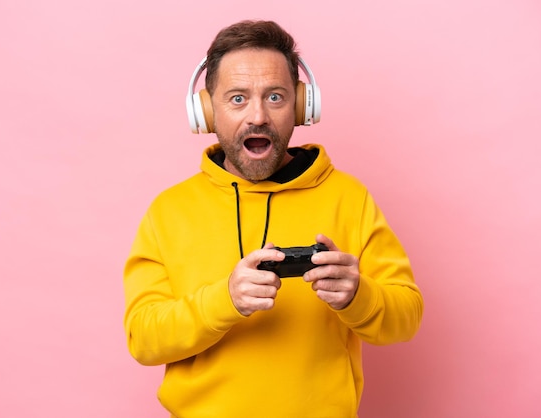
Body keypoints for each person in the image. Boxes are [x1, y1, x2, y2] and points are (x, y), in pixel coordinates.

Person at [123, 19, 423, 418]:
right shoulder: (168, 212)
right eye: (237, 99)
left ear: (302, 106)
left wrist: (358, 295)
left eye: (276, 97)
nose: (258, 116)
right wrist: (224, 300)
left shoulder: (349, 198)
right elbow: (143, 340)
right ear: (207, 111)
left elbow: (406, 318)